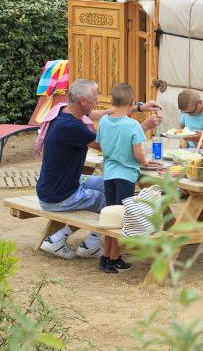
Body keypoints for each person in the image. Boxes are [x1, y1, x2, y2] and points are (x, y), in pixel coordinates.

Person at [37, 79, 162, 259]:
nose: (97, 104)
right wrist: (142, 127)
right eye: (95, 99)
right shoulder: (72, 127)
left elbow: (104, 114)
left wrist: (138, 108)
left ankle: (88, 241)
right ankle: (80, 242)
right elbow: (110, 145)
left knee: (109, 186)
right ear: (83, 101)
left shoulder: (62, 112)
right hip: (60, 195)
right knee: (110, 202)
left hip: (57, 185)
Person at [95, 83, 148, 273]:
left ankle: (106, 255)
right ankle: (115, 259)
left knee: (110, 216)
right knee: (121, 218)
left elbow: (100, 144)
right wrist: (146, 162)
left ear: (111, 101)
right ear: (132, 103)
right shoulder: (132, 125)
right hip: (126, 175)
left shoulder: (103, 122)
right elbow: (137, 154)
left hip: (108, 173)